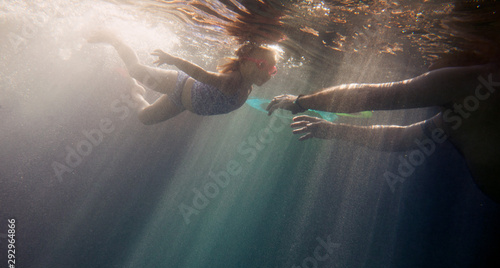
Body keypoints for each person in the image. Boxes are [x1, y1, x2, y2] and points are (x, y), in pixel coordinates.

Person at [266, 62, 500, 203]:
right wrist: (335, 130)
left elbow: (371, 96)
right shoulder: (462, 113)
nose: (430, 64)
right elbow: (403, 137)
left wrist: (300, 101)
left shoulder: (472, 83)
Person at [87, 31, 278, 125]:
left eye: (271, 69)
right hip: (179, 84)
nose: (266, 72)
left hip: (182, 103)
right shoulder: (231, 80)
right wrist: (173, 59)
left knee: (145, 117)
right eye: (262, 65)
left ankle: (137, 91)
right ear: (244, 63)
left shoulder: (247, 87)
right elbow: (202, 75)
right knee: (136, 70)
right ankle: (114, 39)